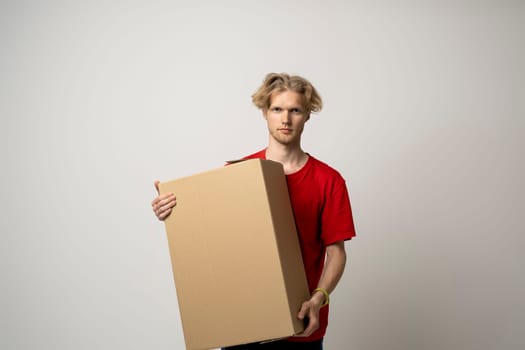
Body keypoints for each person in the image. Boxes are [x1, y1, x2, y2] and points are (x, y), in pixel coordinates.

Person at [151, 73, 356, 350]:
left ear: (307, 115)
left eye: (295, 110)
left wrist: (318, 298)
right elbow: (211, 240)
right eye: (277, 109)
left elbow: (336, 252)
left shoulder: (328, 180)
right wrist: (174, 211)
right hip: (244, 323)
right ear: (265, 112)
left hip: (300, 324)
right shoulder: (237, 174)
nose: (285, 119)